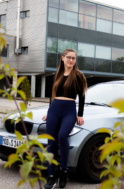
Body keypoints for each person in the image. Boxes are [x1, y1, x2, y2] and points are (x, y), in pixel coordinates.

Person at [42, 48, 87, 189]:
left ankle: (64, 171)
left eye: (74, 58)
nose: (71, 60)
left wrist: (80, 114)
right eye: (69, 57)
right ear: (62, 58)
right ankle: (50, 177)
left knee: (62, 136)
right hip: (54, 108)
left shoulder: (78, 75)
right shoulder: (58, 74)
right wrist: (49, 112)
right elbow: (53, 94)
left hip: (69, 109)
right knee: (51, 141)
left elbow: (82, 96)